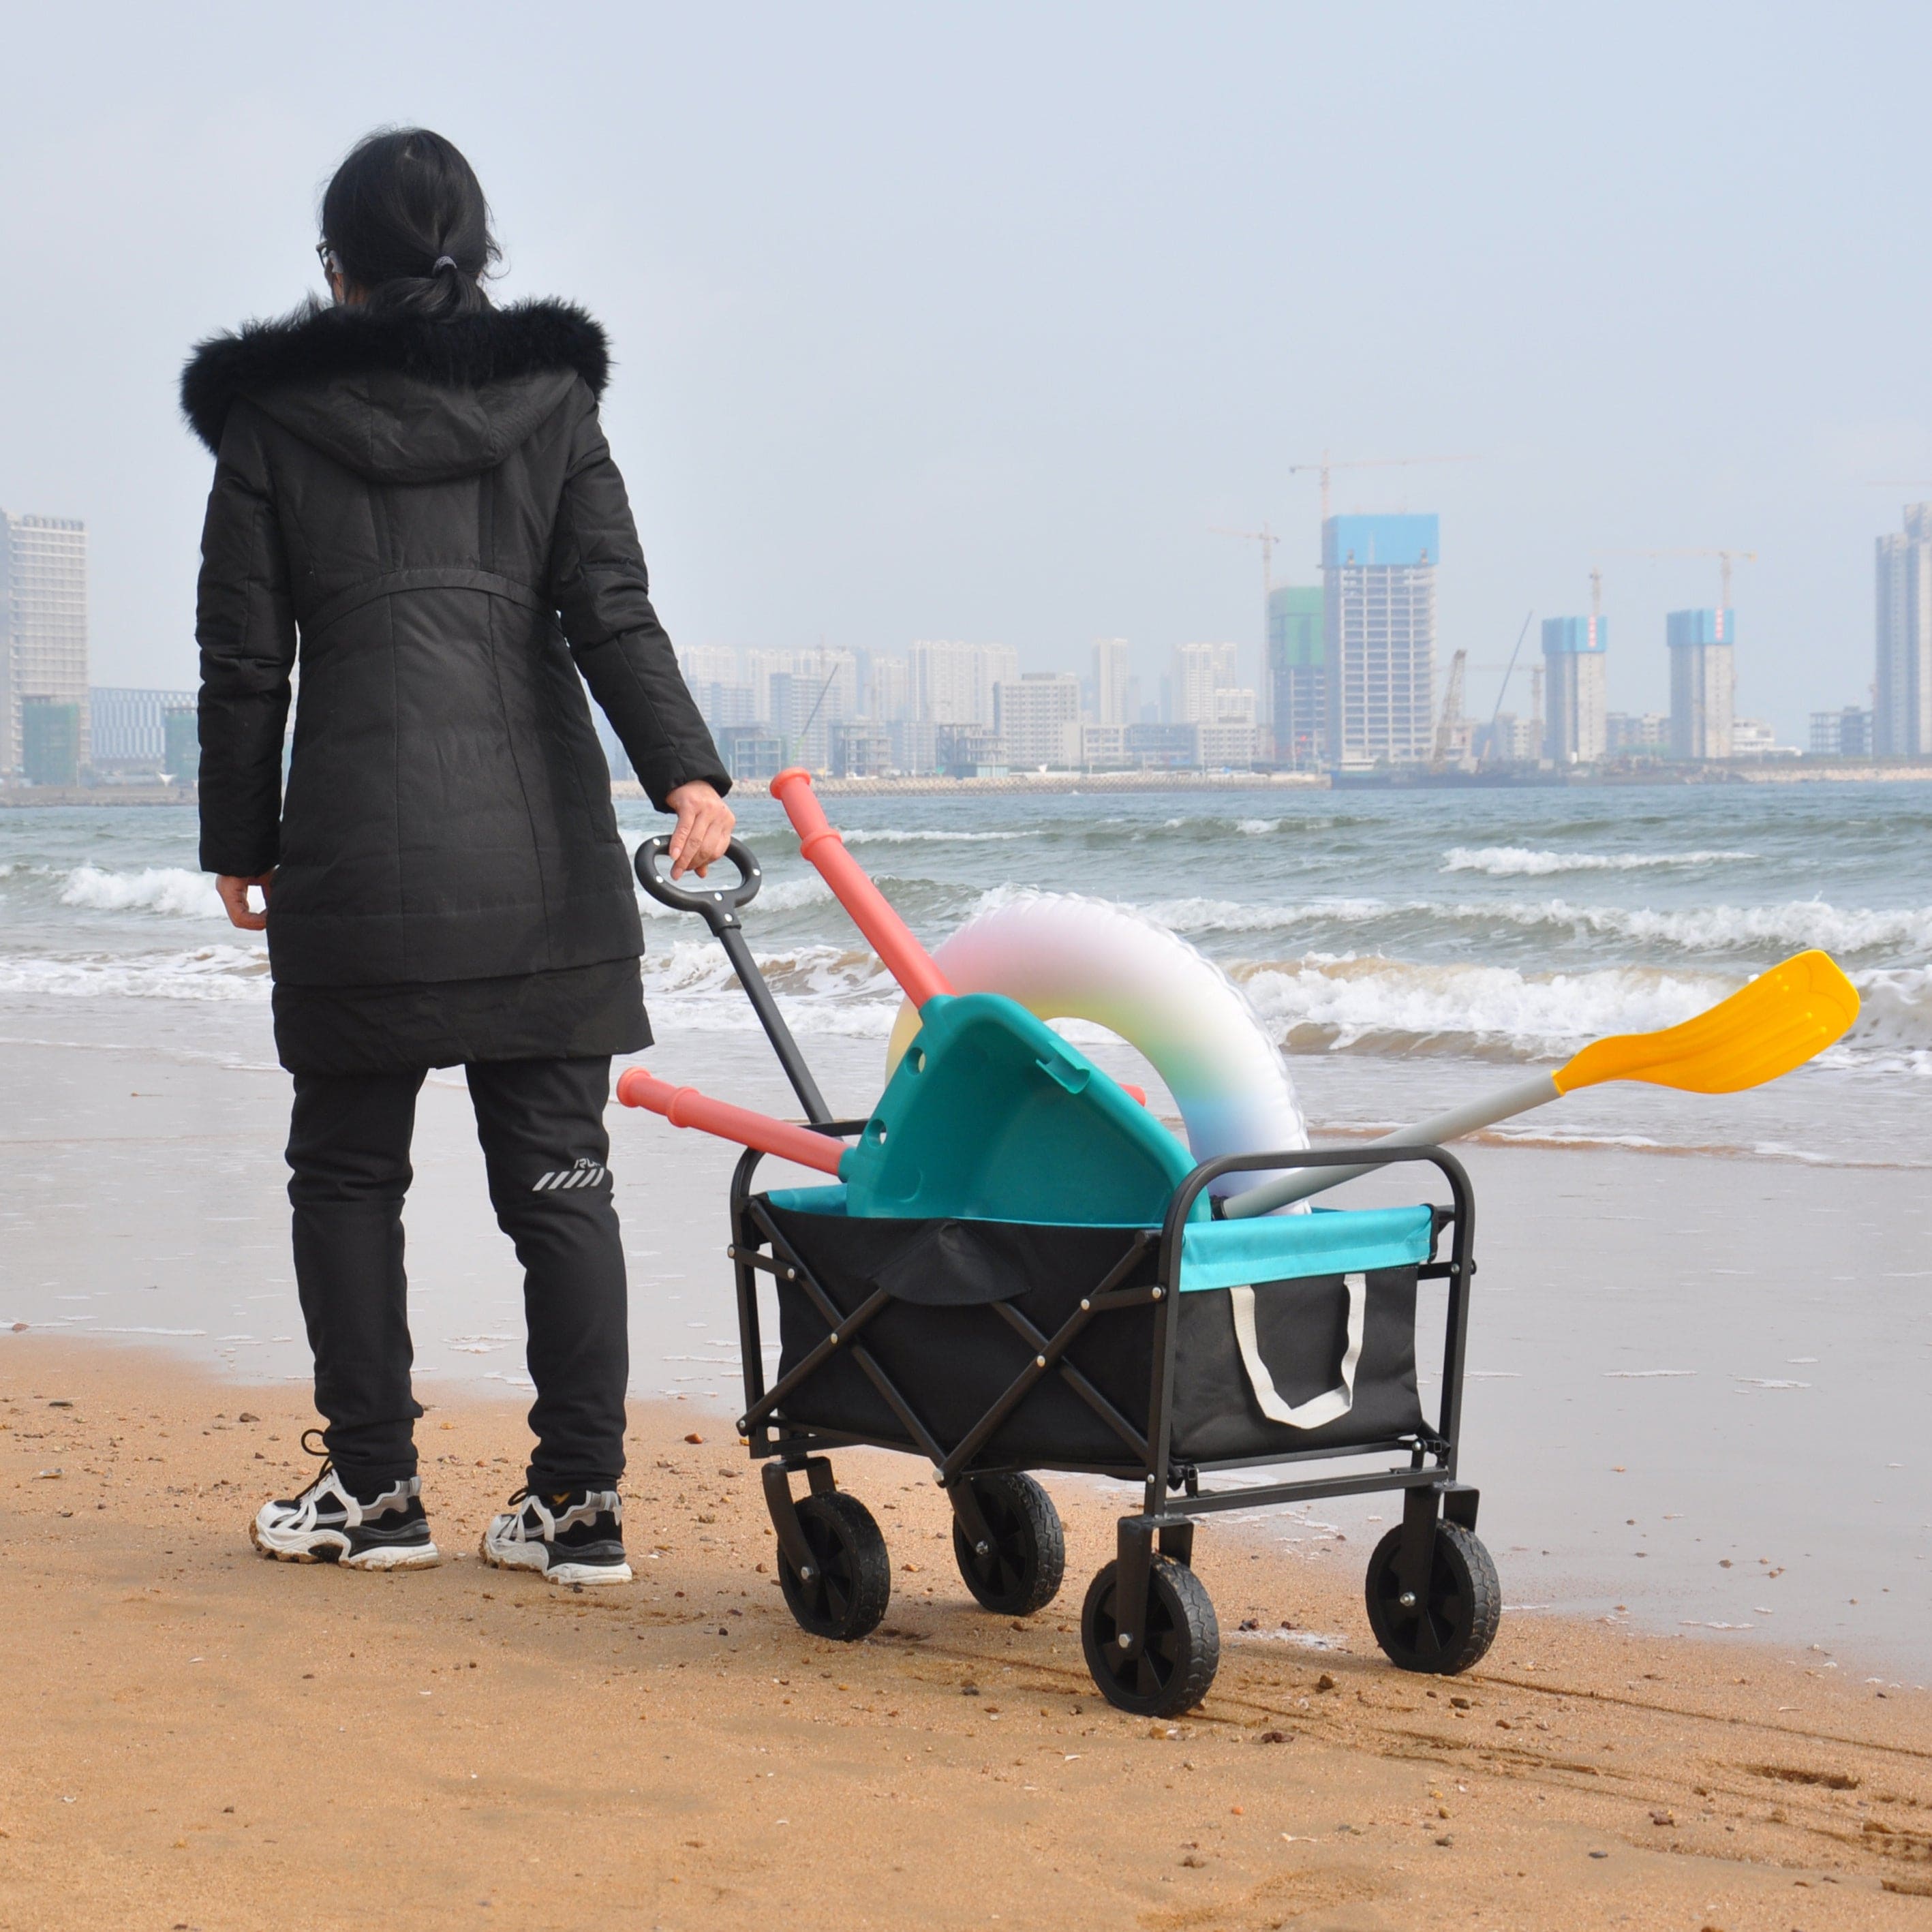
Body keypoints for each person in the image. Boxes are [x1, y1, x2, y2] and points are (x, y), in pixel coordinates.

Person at [181, 127, 735, 1584]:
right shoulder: (552, 398)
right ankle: (579, 1503)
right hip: (538, 854)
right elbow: (611, 606)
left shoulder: (269, 420)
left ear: (334, 271)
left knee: (347, 1173)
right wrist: (685, 769)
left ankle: (372, 1489)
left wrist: (238, 837)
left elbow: (246, 660)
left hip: (358, 863)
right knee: (561, 1171)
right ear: (479, 256)